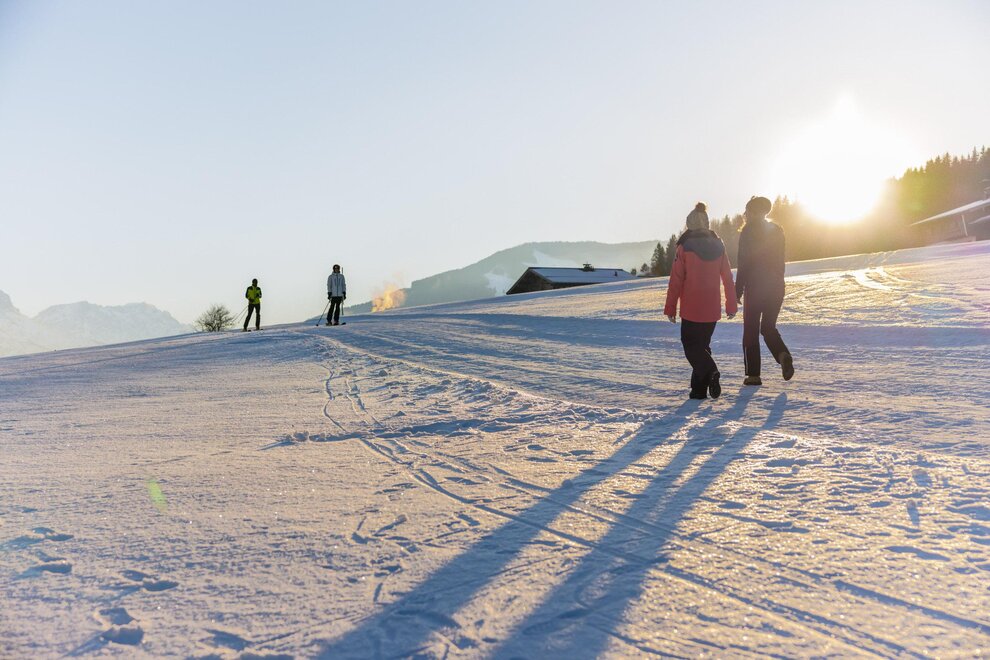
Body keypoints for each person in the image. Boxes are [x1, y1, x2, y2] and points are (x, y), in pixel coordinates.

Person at [664, 203, 737, 399]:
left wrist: (670, 307)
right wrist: (731, 305)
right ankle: (698, 391)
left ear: (690, 224)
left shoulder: (684, 246)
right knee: (702, 346)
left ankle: (711, 371)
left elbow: (676, 280)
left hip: (692, 307)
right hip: (712, 308)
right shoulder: (719, 246)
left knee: (690, 345)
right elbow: (728, 278)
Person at [735, 196, 793, 385]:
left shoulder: (748, 231)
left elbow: (744, 263)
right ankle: (782, 354)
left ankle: (753, 375)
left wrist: (738, 290)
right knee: (768, 327)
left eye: (747, 210)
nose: (745, 214)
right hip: (776, 286)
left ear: (752, 212)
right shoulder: (777, 230)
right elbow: (780, 261)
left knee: (750, 329)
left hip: (755, 287)